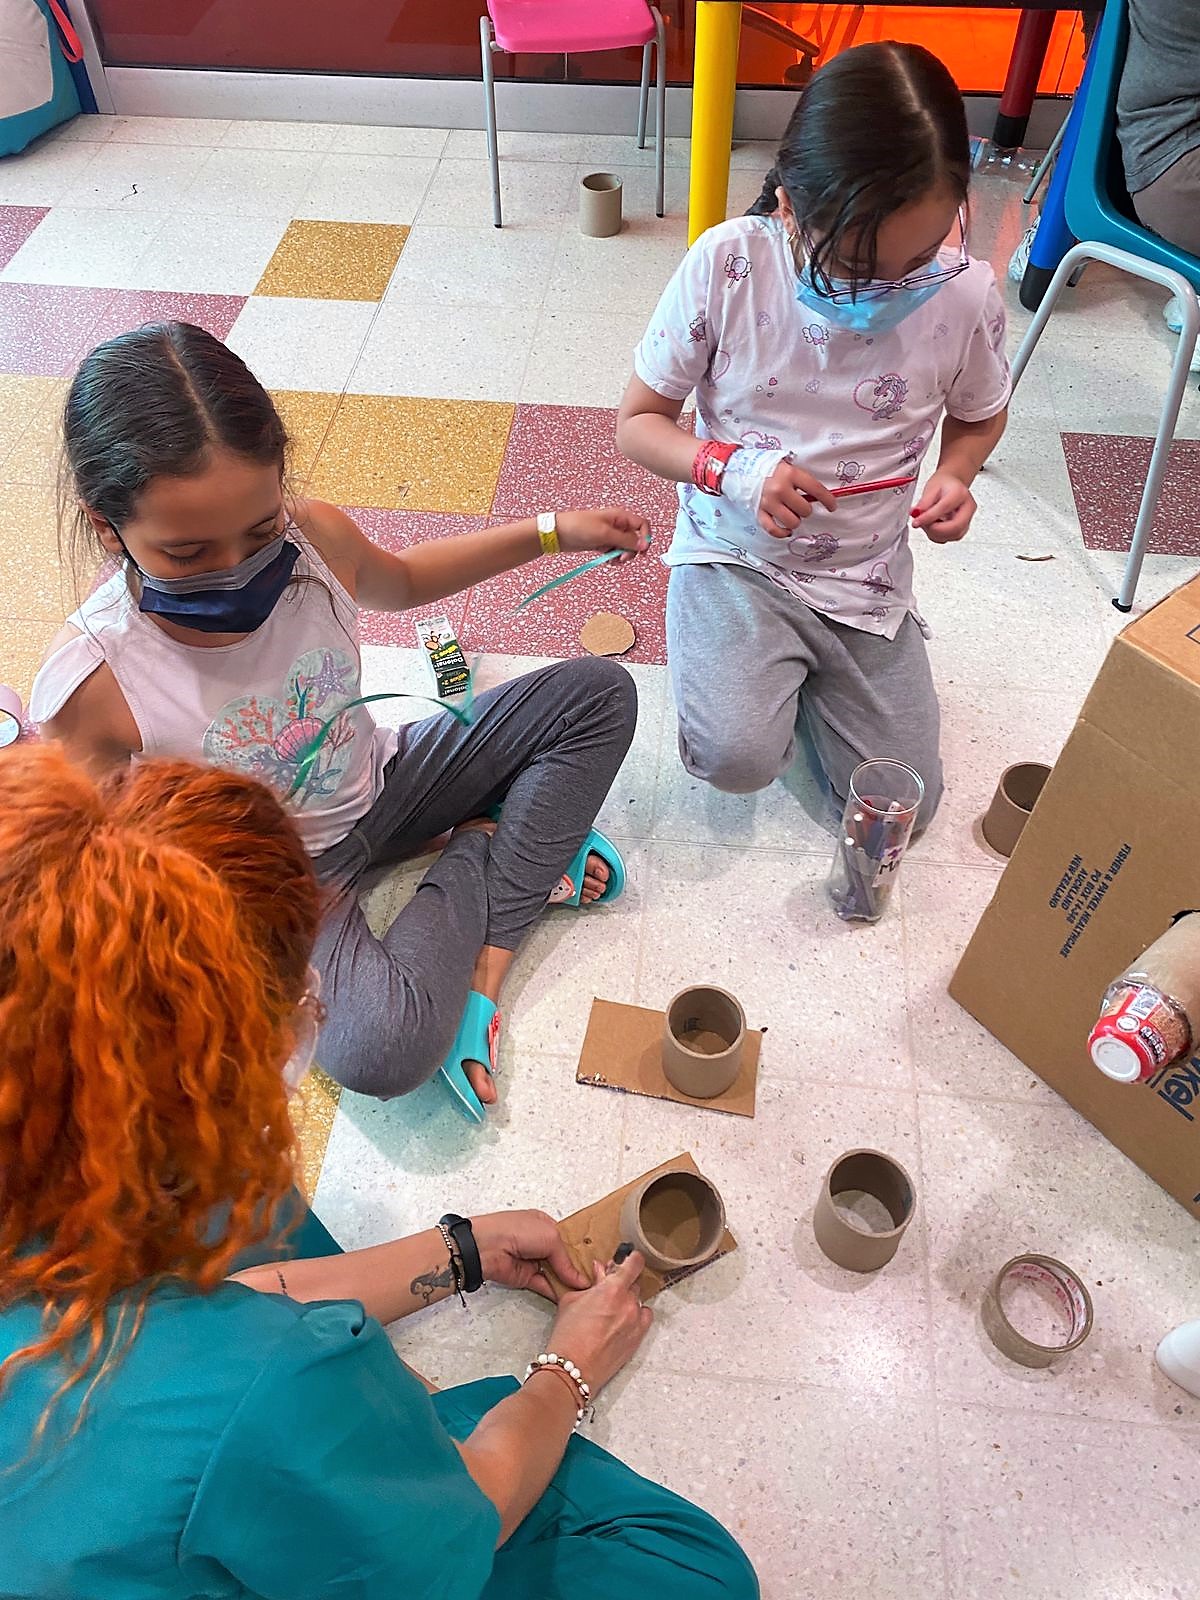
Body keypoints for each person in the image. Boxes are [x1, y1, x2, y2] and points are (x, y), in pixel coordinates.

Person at [0, 743, 759, 1600]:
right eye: (294, 995)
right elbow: (460, 1525)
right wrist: (567, 1371)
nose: (315, 1004)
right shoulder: (264, 1395)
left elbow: (220, 1307)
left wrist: (460, 1251)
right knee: (697, 1571)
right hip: (219, 1466)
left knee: (253, 1221)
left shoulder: (42, 1149)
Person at [30, 321, 651, 1122]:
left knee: (599, 694)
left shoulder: (313, 536)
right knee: (381, 1052)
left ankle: (485, 948)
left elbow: (404, 578)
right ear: (107, 526)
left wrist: (550, 532)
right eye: (187, 554)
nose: (239, 570)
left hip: (386, 775)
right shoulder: (95, 684)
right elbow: (94, 872)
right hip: (287, 883)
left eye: (261, 532)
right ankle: (483, 849)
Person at [616, 42, 1011, 832]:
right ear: (791, 207)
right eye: (860, 265)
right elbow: (637, 426)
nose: (894, 288)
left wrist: (959, 473)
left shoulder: (964, 295)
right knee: (733, 759)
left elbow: (981, 409)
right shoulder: (729, 264)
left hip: (866, 580)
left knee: (903, 807)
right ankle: (737, 652)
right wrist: (731, 468)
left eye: (921, 255)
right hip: (737, 557)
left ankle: (791, 676)